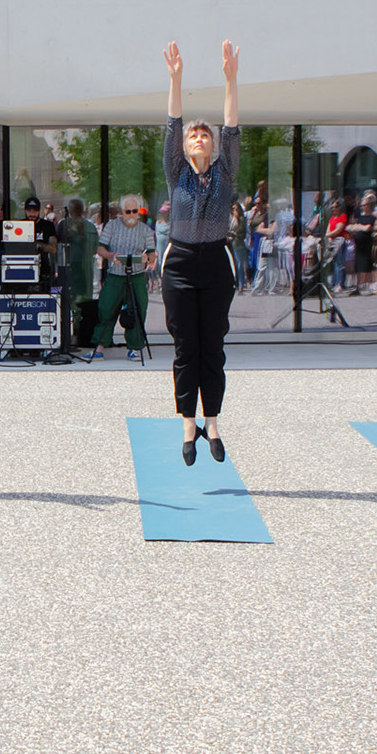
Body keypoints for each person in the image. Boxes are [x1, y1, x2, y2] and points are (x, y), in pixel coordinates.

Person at [161, 39, 241, 465]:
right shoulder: (177, 173)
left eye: (203, 134)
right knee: (184, 346)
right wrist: (176, 78)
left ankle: (212, 421)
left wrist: (230, 81)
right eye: (194, 134)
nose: (197, 137)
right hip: (179, 263)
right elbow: (172, 124)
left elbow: (231, 128)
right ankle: (188, 423)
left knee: (213, 344)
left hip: (215, 262)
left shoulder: (225, 172)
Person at [92, 195, 156, 359]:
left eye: (135, 211)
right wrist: (113, 255)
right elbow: (100, 249)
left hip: (136, 275)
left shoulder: (145, 230)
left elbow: (152, 254)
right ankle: (99, 346)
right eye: (128, 211)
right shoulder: (112, 226)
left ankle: (135, 347)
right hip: (116, 274)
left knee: (137, 309)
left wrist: (147, 259)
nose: (131, 215)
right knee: (106, 308)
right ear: (122, 212)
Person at [56, 197, 98, 343]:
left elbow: (57, 249)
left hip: (69, 271)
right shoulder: (91, 227)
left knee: (67, 303)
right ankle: (81, 336)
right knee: (84, 305)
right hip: (86, 272)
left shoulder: (63, 225)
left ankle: (67, 337)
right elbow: (94, 249)